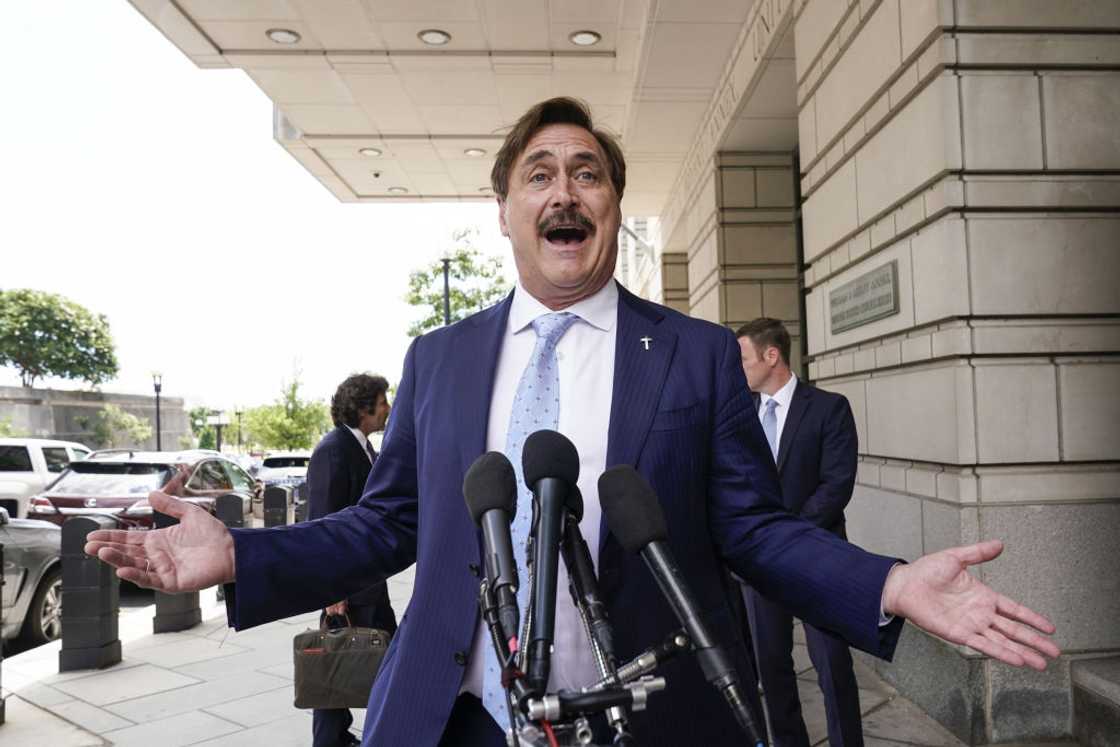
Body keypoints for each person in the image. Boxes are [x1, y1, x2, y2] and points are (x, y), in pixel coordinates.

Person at [85, 97, 1059, 747]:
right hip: (454, 713)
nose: (565, 189)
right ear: (506, 210)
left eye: (588, 173)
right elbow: (385, 526)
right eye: (540, 174)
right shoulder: (441, 359)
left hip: (652, 710)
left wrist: (885, 582)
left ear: (613, 207)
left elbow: (753, 531)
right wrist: (245, 555)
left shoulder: (695, 354)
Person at [736, 317, 862, 746]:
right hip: (760, 564)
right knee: (770, 668)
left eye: (744, 359)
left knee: (832, 667)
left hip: (818, 557)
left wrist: (788, 536)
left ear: (772, 356)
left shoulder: (830, 407)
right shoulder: (740, 417)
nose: (738, 370)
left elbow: (836, 485)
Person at [308, 373, 398, 747]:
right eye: (382, 402)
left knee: (388, 659)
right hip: (347, 586)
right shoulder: (333, 449)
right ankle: (330, 742)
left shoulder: (363, 447)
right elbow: (323, 522)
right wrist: (332, 589)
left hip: (369, 581)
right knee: (332, 669)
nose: (388, 409)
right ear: (364, 409)